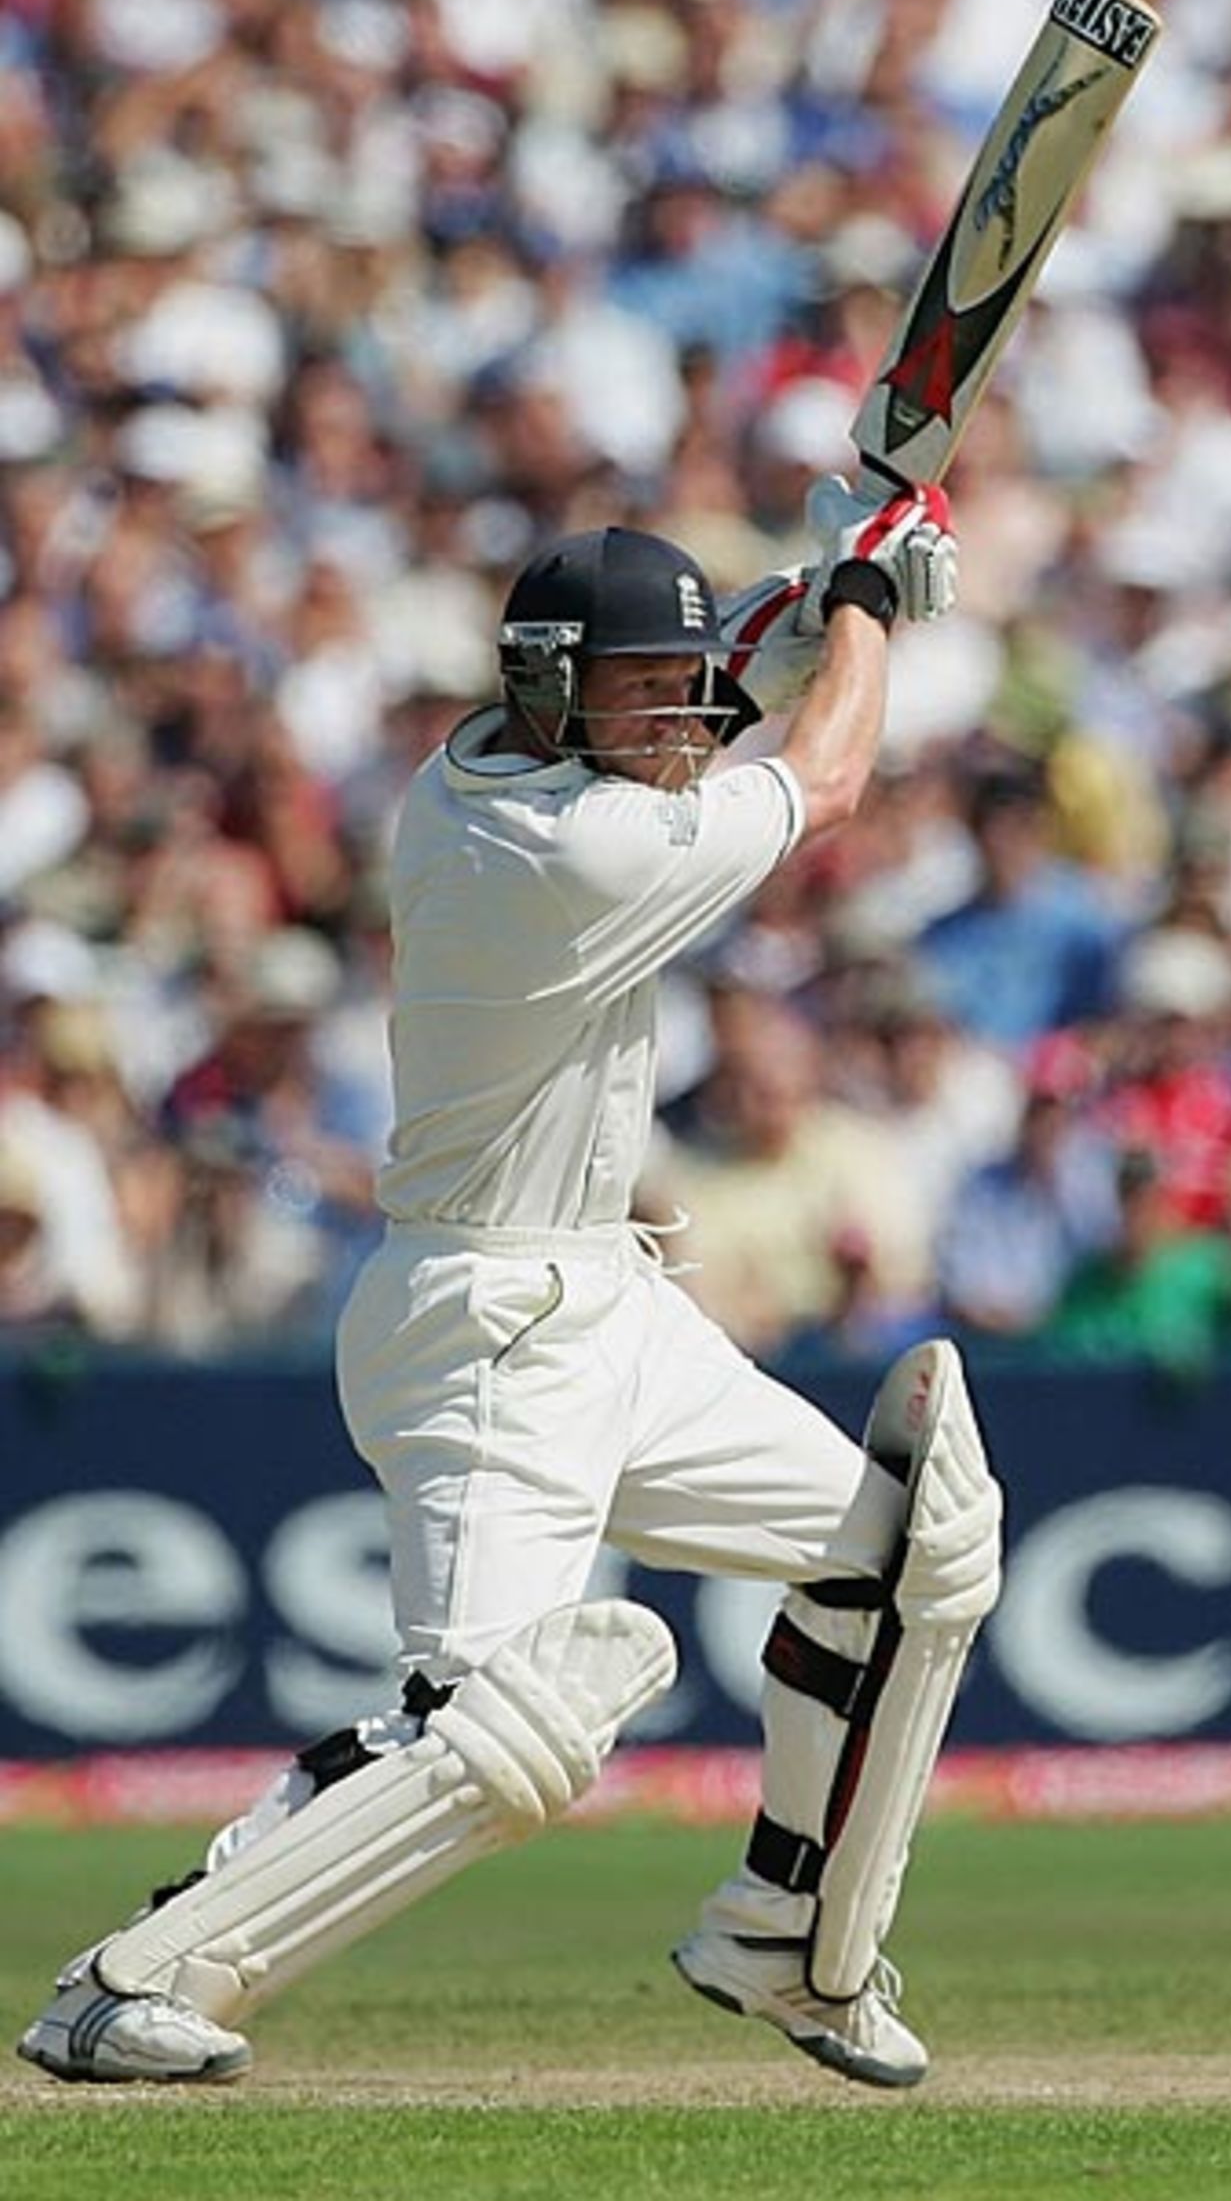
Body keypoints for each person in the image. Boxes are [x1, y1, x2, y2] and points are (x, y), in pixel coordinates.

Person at [18, 464, 1001, 2094]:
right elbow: (821, 781)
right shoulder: (555, 852)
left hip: (611, 1299)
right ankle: (130, 1979)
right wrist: (872, 605)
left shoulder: (511, 766)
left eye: (677, 688)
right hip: (487, 1327)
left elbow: (736, 678)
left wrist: (826, 573)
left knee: (913, 1554)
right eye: (637, 691)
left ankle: (794, 1933)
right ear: (549, 692)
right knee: (499, 1731)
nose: (678, 719)